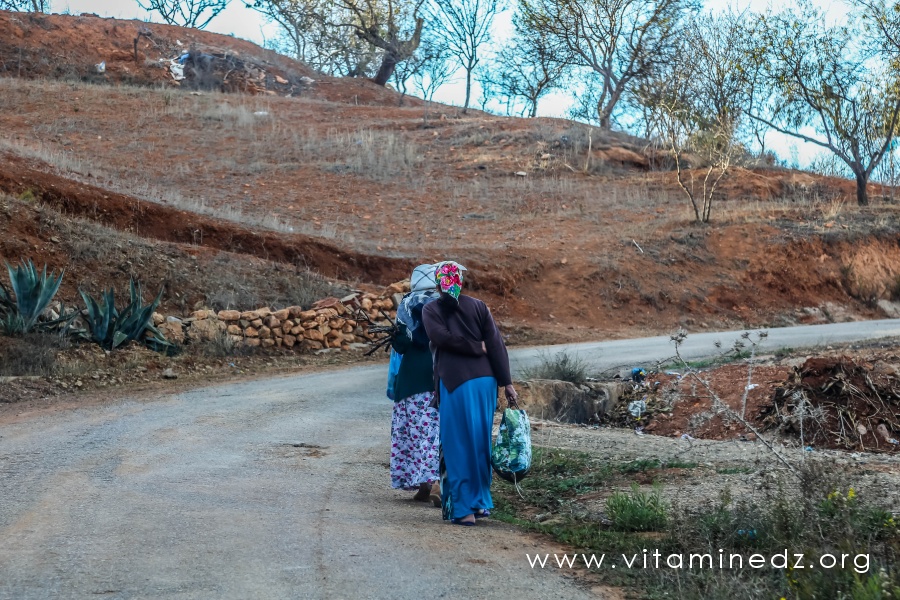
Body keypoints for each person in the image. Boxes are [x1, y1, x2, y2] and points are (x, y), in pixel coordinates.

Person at [422, 261, 518, 526]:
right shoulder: (478, 306)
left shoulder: (432, 309)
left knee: (457, 445)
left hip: (456, 384)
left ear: (438, 283)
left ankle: (464, 510)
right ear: (460, 281)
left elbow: (441, 338)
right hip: (486, 383)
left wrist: (475, 348)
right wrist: (507, 383)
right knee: (479, 443)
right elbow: (497, 346)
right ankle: (480, 504)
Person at [388, 264, 441, 505]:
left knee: (414, 431)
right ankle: (437, 483)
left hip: (413, 377)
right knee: (435, 432)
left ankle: (426, 485)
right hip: (442, 373)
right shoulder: (448, 302)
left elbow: (401, 345)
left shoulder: (407, 304)